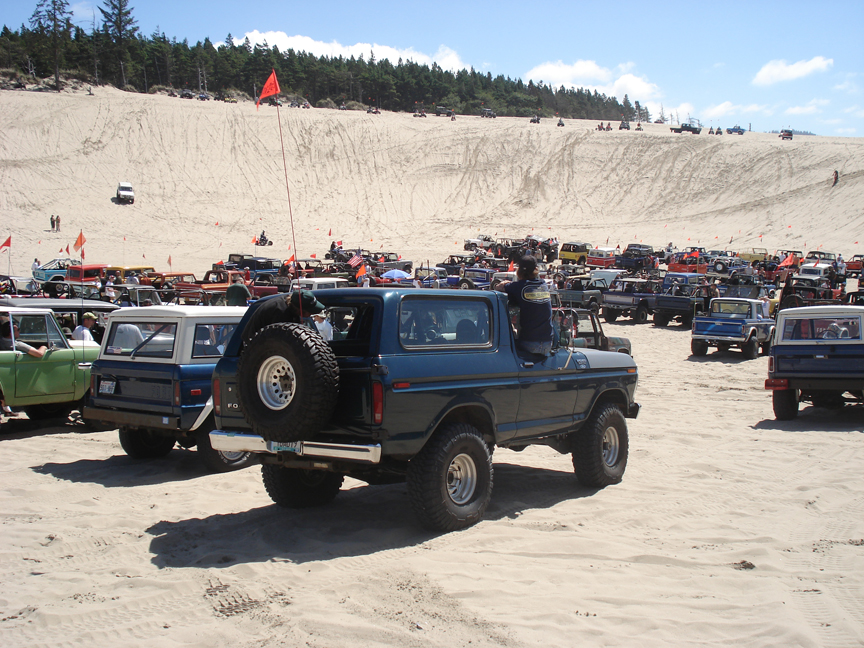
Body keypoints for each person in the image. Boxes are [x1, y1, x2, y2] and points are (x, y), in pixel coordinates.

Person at [495, 255, 553, 356]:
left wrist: (506, 283)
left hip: (529, 342)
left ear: (519, 271)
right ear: (536, 270)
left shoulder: (518, 287)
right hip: (548, 343)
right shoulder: (543, 285)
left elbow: (498, 287)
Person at [242, 290, 326, 344]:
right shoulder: (281, 313)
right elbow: (282, 342)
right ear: (299, 309)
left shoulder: (289, 305)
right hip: (254, 346)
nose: (311, 315)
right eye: (310, 312)